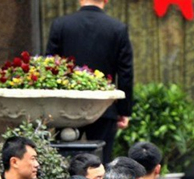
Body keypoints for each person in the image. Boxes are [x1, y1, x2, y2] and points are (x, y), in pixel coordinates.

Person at [46, 0, 134, 163]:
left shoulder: (61, 25)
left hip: (67, 108)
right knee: (101, 162)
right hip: (103, 108)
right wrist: (124, 110)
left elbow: (49, 67)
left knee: (65, 161)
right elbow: (125, 73)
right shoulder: (117, 28)